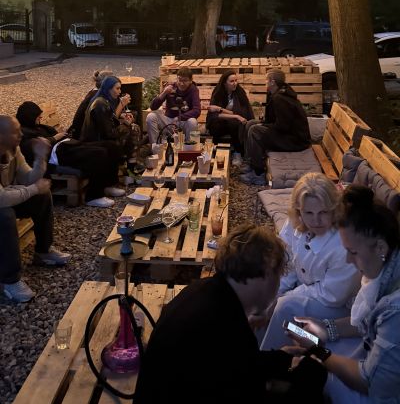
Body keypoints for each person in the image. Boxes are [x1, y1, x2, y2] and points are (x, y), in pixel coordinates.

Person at [134, 223, 327, 404]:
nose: (278, 286)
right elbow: (245, 386)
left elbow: (235, 364)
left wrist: (281, 359)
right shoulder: (226, 325)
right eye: (279, 276)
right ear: (268, 273)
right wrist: (307, 374)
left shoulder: (208, 292)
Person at [291, 185, 400, 403]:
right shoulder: (384, 268)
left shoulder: (395, 310)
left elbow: (369, 381)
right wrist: (326, 328)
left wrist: (317, 352)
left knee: (310, 373)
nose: (348, 260)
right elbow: (367, 321)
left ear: (380, 247)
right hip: (373, 360)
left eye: (352, 252)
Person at [260, 173, 360, 350]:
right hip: (308, 290)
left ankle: (271, 356)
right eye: (309, 213)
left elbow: (332, 295)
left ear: (334, 209)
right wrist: (273, 293)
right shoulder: (296, 222)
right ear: (299, 211)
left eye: (323, 212)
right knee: (263, 299)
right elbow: (286, 263)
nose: (316, 220)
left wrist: (284, 297)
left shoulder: (343, 242)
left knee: (285, 307)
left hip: (337, 305)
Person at [0, 115, 71, 303]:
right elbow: (1, 199)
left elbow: (29, 178)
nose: (21, 134)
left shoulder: (13, 150)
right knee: (5, 215)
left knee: (42, 195)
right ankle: (10, 280)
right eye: (16, 132)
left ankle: (43, 251)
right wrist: (33, 189)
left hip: (5, 195)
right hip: (1, 202)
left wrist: (40, 157)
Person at [16, 101, 122, 208]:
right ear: (29, 117)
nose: (40, 118)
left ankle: (107, 185)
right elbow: (32, 147)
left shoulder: (37, 127)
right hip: (58, 155)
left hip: (67, 145)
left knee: (111, 146)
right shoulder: (23, 133)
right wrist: (54, 138)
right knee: (99, 153)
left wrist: (61, 134)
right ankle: (93, 197)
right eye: (37, 116)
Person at [240, 69, 311, 185]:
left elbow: (283, 126)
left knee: (255, 130)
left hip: (294, 140)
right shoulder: (276, 93)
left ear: (272, 82)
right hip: (287, 134)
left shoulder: (281, 98)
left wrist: (264, 126)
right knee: (250, 123)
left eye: (266, 80)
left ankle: (258, 174)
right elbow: (274, 120)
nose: (265, 82)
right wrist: (264, 124)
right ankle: (250, 163)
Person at [80, 74, 137, 165]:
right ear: (108, 89)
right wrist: (125, 123)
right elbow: (109, 133)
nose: (120, 92)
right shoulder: (100, 104)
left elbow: (108, 119)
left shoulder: (103, 100)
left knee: (132, 127)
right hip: (94, 141)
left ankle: (130, 161)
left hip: (100, 136)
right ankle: (129, 162)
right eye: (117, 88)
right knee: (131, 128)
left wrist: (121, 116)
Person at [206, 70, 254, 165]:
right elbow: (214, 115)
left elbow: (242, 113)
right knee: (215, 125)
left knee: (234, 123)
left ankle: (237, 153)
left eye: (236, 80)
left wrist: (219, 109)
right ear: (224, 83)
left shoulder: (240, 92)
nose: (235, 83)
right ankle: (216, 151)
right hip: (221, 122)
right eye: (231, 81)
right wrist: (233, 115)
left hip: (233, 124)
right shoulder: (218, 92)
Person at [146, 67, 201, 145]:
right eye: (180, 80)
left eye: (185, 81)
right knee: (151, 116)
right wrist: (164, 93)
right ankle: (155, 147)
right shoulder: (170, 87)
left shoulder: (193, 90)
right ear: (177, 79)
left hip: (184, 122)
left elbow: (197, 110)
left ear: (190, 81)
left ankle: (190, 148)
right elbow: (153, 107)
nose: (181, 83)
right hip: (168, 121)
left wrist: (179, 117)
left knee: (193, 122)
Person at [68, 68, 114, 139]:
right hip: (83, 136)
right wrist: (122, 104)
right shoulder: (99, 99)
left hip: (77, 130)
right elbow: (107, 124)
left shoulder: (93, 92)